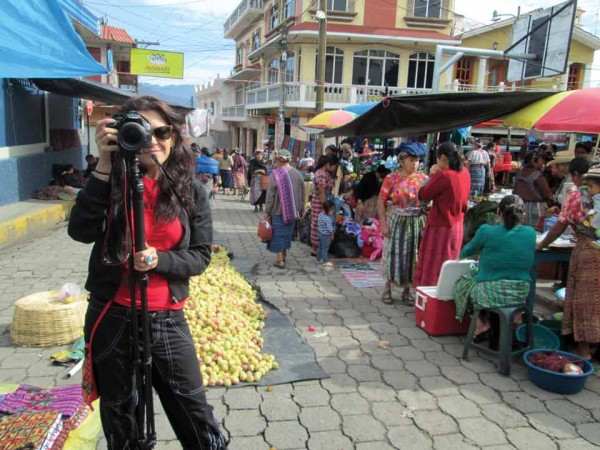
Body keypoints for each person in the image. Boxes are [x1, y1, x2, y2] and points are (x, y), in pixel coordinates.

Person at [67, 96, 227, 448]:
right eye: (141, 130)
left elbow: (200, 257)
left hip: (168, 319)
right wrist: (105, 167)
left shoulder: (192, 192)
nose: (153, 139)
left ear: (175, 137)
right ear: (124, 133)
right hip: (113, 317)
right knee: (122, 420)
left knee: (196, 417)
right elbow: (80, 231)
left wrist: (161, 260)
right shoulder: (109, 183)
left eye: (162, 131)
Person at [537, 157, 598, 359]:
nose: (587, 188)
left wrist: (541, 245)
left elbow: (559, 226)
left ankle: (583, 350)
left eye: (590, 185)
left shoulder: (577, 198)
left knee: (584, 300)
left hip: (588, 252)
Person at [454, 195, 536, 337]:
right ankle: (516, 317)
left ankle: (480, 325)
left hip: (489, 294)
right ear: (523, 214)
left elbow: (466, 251)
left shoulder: (487, 231)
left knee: (462, 285)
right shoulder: (531, 233)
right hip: (520, 294)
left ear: (498, 212)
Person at [413, 142, 470, 287]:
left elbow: (424, 194)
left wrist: (432, 175)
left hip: (441, 226)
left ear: (443, 157)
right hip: (457, 225)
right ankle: (446, 294)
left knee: (434, 263)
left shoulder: (444, 175)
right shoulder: (465, 173)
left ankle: (430, 297)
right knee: (450, 261)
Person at [377, 142, 428, 304]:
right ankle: (387, 288)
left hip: (416, 223)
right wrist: (383, 224)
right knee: (391, 254)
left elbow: (428, 201)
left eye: (417, 160)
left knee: (413, 256)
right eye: (411, 160)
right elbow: (381, 200)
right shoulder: (391, 178)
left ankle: (407, 291)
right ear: (401, 160)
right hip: (396, 222)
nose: (415, 164)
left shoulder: (423, 179)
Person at [265, 149, 305, 269]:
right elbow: (303, 193)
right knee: (287, 234)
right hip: (293, 211)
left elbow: (270, 195)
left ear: (279, 160)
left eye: (275, 160)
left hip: (278, 210)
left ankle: (280, 261)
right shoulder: (298, 173)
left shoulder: (275, 174)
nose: (275, 163)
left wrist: (267, 211)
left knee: (277, 235)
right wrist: (301, 208)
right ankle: (284, 255)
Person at [513, 151, 553, 229]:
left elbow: (515, 190)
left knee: (520, 230)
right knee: (534, 232)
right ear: (534, 162)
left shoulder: (520, 174)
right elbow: (547, 194)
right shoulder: (538, 176)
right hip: (535, 209)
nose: (543, 163)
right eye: (541, 160)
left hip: (519, 206)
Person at [310, 154, 339, 255]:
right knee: (320, 223)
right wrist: (326, 207)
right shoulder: (321, 174)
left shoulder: (325, 173)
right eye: (334, 166)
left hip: (323, 200)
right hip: (320, 202)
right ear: (328, 164)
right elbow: (321, 192)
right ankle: (316, 248)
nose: (335, 168)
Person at [580, 166, 600, 247]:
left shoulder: (598, 197)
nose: (588, 189)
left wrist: (592, 227)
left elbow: (598, 213)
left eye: (591, 186)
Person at [316, 200, 335, 267]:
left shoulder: (320, 215)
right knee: (325, 248)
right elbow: (330, 229)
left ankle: (318, 259)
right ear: (327, 210)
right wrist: (332, 235)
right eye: (332, 210)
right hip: (326, 236)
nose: (333, 212)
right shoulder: (328, 219)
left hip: (320, 233)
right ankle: (325, 261)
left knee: (320, 247)